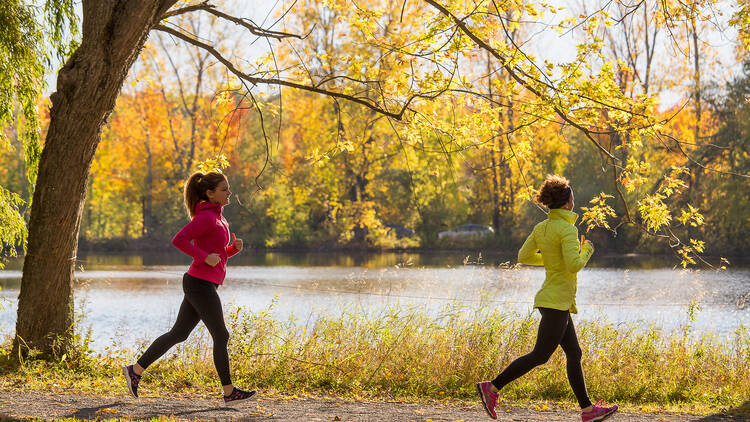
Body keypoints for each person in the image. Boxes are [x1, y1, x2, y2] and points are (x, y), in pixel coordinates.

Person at [475, 175, 618, 421]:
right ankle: (493, 387)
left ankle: (587, 410)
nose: (574, 200)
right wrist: (587, 250)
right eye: (572, 196)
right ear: (566, 202)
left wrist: (552, 260)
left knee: (574, 353)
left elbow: (523, 256)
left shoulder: (541, 228)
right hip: (555, 303)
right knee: (540, 355)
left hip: (553, 301)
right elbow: (574, 265)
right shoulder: (568, 229)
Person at [122, 171, 256, 406]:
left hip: (202, 283)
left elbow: (217, 255)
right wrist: (204, 257)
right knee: (221, 334)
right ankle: (229, 392)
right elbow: (179, 240)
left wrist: (233, 249)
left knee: (179, 334)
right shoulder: (205, 218)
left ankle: (135, 370)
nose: (229, 192)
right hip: (199, 284)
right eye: (224, 189)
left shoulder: (219, 218)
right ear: (210, 193)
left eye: (228, 188)